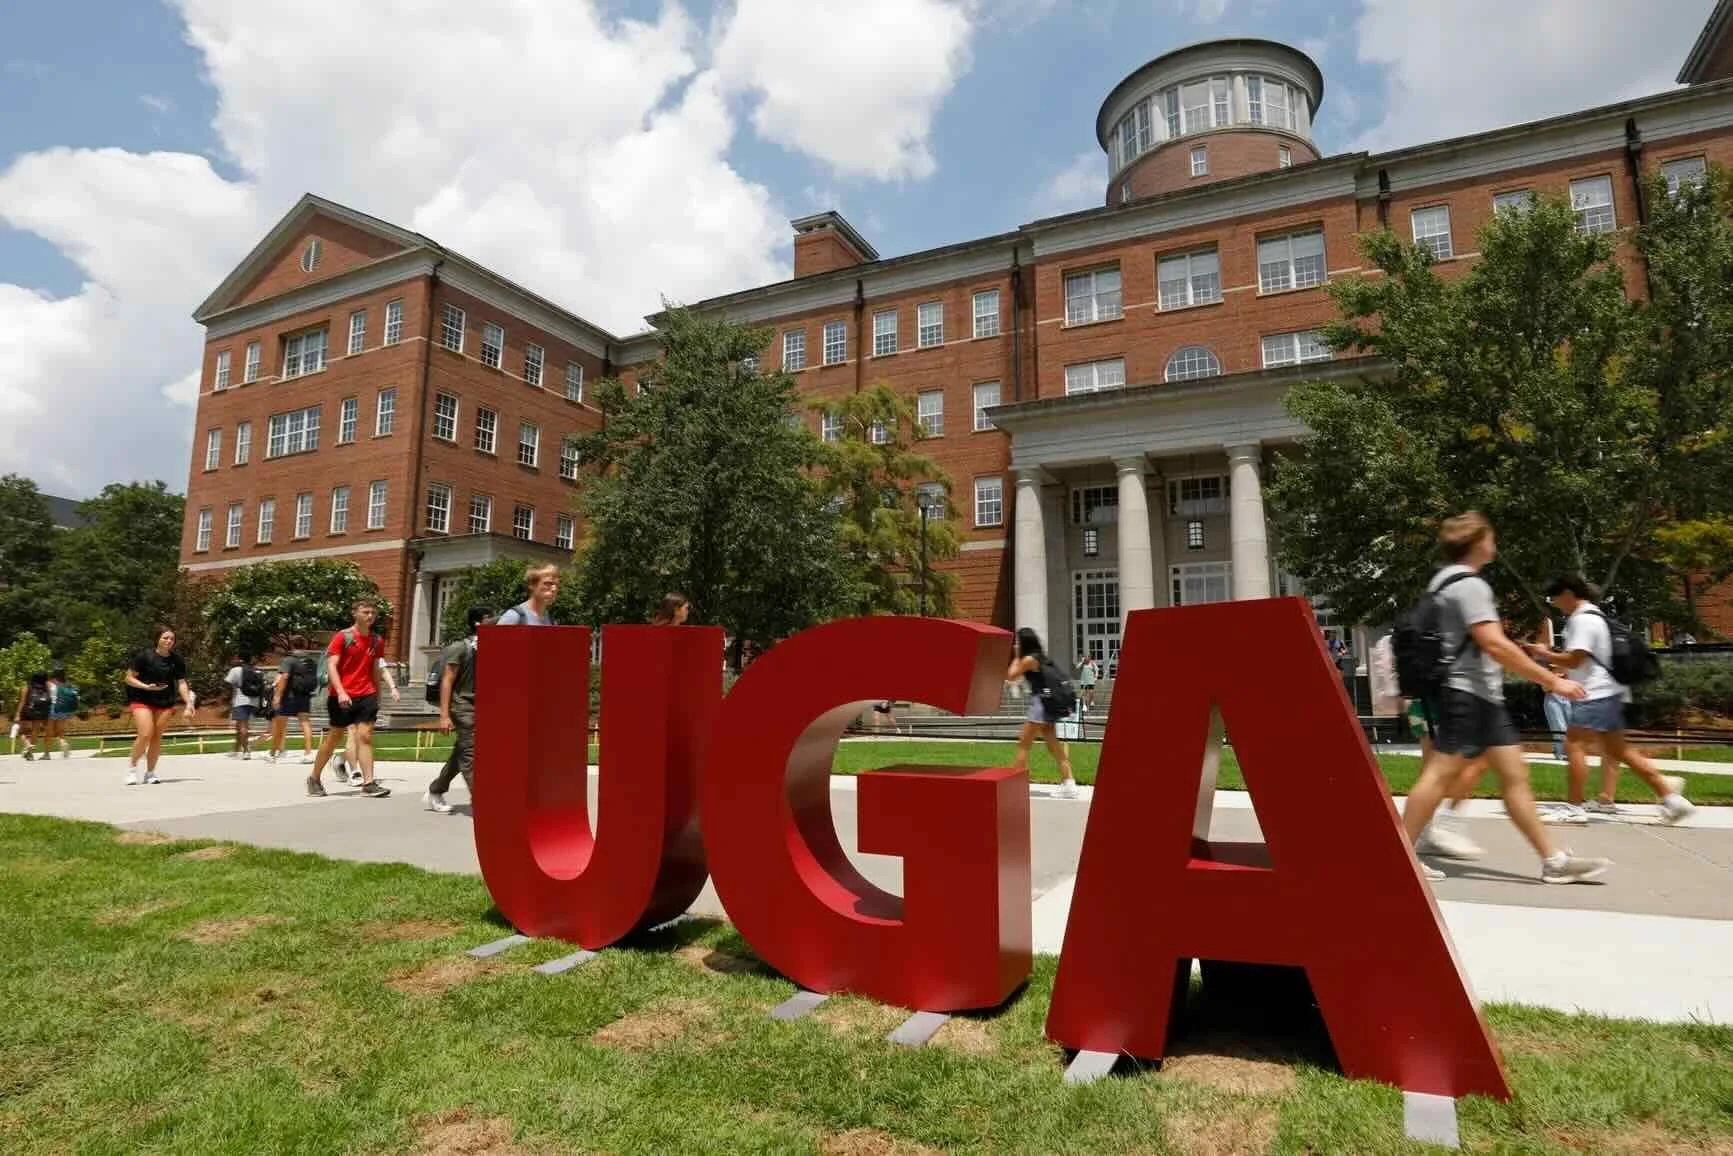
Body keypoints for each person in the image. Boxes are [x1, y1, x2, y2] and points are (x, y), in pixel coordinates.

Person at [1399, 514, 1609, 884]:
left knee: (1515, 775)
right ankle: (1398, 857)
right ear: (1478, 541)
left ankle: (1553, 860)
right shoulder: (1470, 585)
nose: (1495, 542)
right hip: (1465, 693)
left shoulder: (1442, 580)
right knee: (1439, 775)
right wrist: (1551, 680)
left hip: (1480, 694)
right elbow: (1494, 643)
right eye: (1491, 536)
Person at [1526, 574, 1696, 826]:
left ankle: (1574, 807)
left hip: (1593, 693)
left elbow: (1575, 660)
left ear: (1569, 594)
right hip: (1608, 692)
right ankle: (1673, 800)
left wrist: (1544, 654)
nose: (1555, 603)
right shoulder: (1596, 615)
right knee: (1620, 751)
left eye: (1555, 597)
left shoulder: (1581, 620)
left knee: (1574, 745)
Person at [1371, 632, 1487, 861]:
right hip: (1437, 705)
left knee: (1437, 769)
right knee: (1461, 764)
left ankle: (1428, 829)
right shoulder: (1444, 624)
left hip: (1430, 705)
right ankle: (1439, 826)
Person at [306, 600, 399, 798]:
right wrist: (340, 691)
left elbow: (375, 668)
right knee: (334, 738)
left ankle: (369, 783)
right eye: (366, 612)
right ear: (354, 613)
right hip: (342, 696)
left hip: (366, 694)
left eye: (373, 612)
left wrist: (378, 695)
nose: (370, 616)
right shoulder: (343, 637)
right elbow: (332, 666)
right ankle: (314, 777)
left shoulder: (376, 640)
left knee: (365, 736)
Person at [425, 606, 490, 814]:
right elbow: (447, 680)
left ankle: (436, 789)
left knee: (462, 751)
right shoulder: (459, 648)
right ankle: (481, 800)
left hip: (483, 706)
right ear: (477, 623)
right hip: (462, 706)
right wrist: (444, 715)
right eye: (490, 620)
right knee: (470, 753)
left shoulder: (491, 647)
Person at [1006, 627, 1079, 800]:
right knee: (1054, 746)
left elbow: (1011, 676)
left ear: (1023, 643)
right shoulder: (1042, 657)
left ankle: (1015, 785)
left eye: (1018, 641)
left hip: (1040, 705)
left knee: (1024, 744)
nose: (1016, 644)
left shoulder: (1029, 659)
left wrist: (1016, 655)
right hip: (1048, 704)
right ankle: (1069, 784)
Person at [124, 626, 194, 786]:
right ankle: (132, 770)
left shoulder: (177, 660)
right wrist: (146, 686)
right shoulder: (144, 657)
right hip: (141, 699)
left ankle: (150, 773)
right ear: (157, 639)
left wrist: (189, 703)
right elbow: (128, 678)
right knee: (146, 733)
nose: (169, 641)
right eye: (165, 638)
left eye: (172, 639)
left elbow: (182, 683)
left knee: (156, 737)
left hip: (165, 701)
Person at [267, 636, 319, 764]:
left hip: (289, 696)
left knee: (280, 725)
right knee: (305, 723)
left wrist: (277, 696)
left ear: (292, 645)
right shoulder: (311, 661)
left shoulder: (289, 660)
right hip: (305, 695)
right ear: (304, 645)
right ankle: (308, 753)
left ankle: (273, 753)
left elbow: (284, 677)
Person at [224, 654, 264, 760]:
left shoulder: (236, 670)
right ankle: (236, 749)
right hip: (254, 701)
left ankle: (246, 751)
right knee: (240, 726)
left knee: (243, 727)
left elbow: (227, 684)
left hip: (240, 701)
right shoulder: (256, 670)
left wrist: (229, 699)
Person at [12, 671, 52, 761]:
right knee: (35, 732)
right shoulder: (47, 688)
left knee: (21, 731)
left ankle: (28, 745)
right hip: (39, 713)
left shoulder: (27, 688)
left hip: (27, 711)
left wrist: (17, 714)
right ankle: (30, 754)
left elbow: (22, 702)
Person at [46, 666, 77, 759]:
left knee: (49, 732)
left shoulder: (49, 683)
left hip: (52, 708)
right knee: (60, 731)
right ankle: (64, 744)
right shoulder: (66, 684)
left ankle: (47, 754)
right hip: (63, 709)